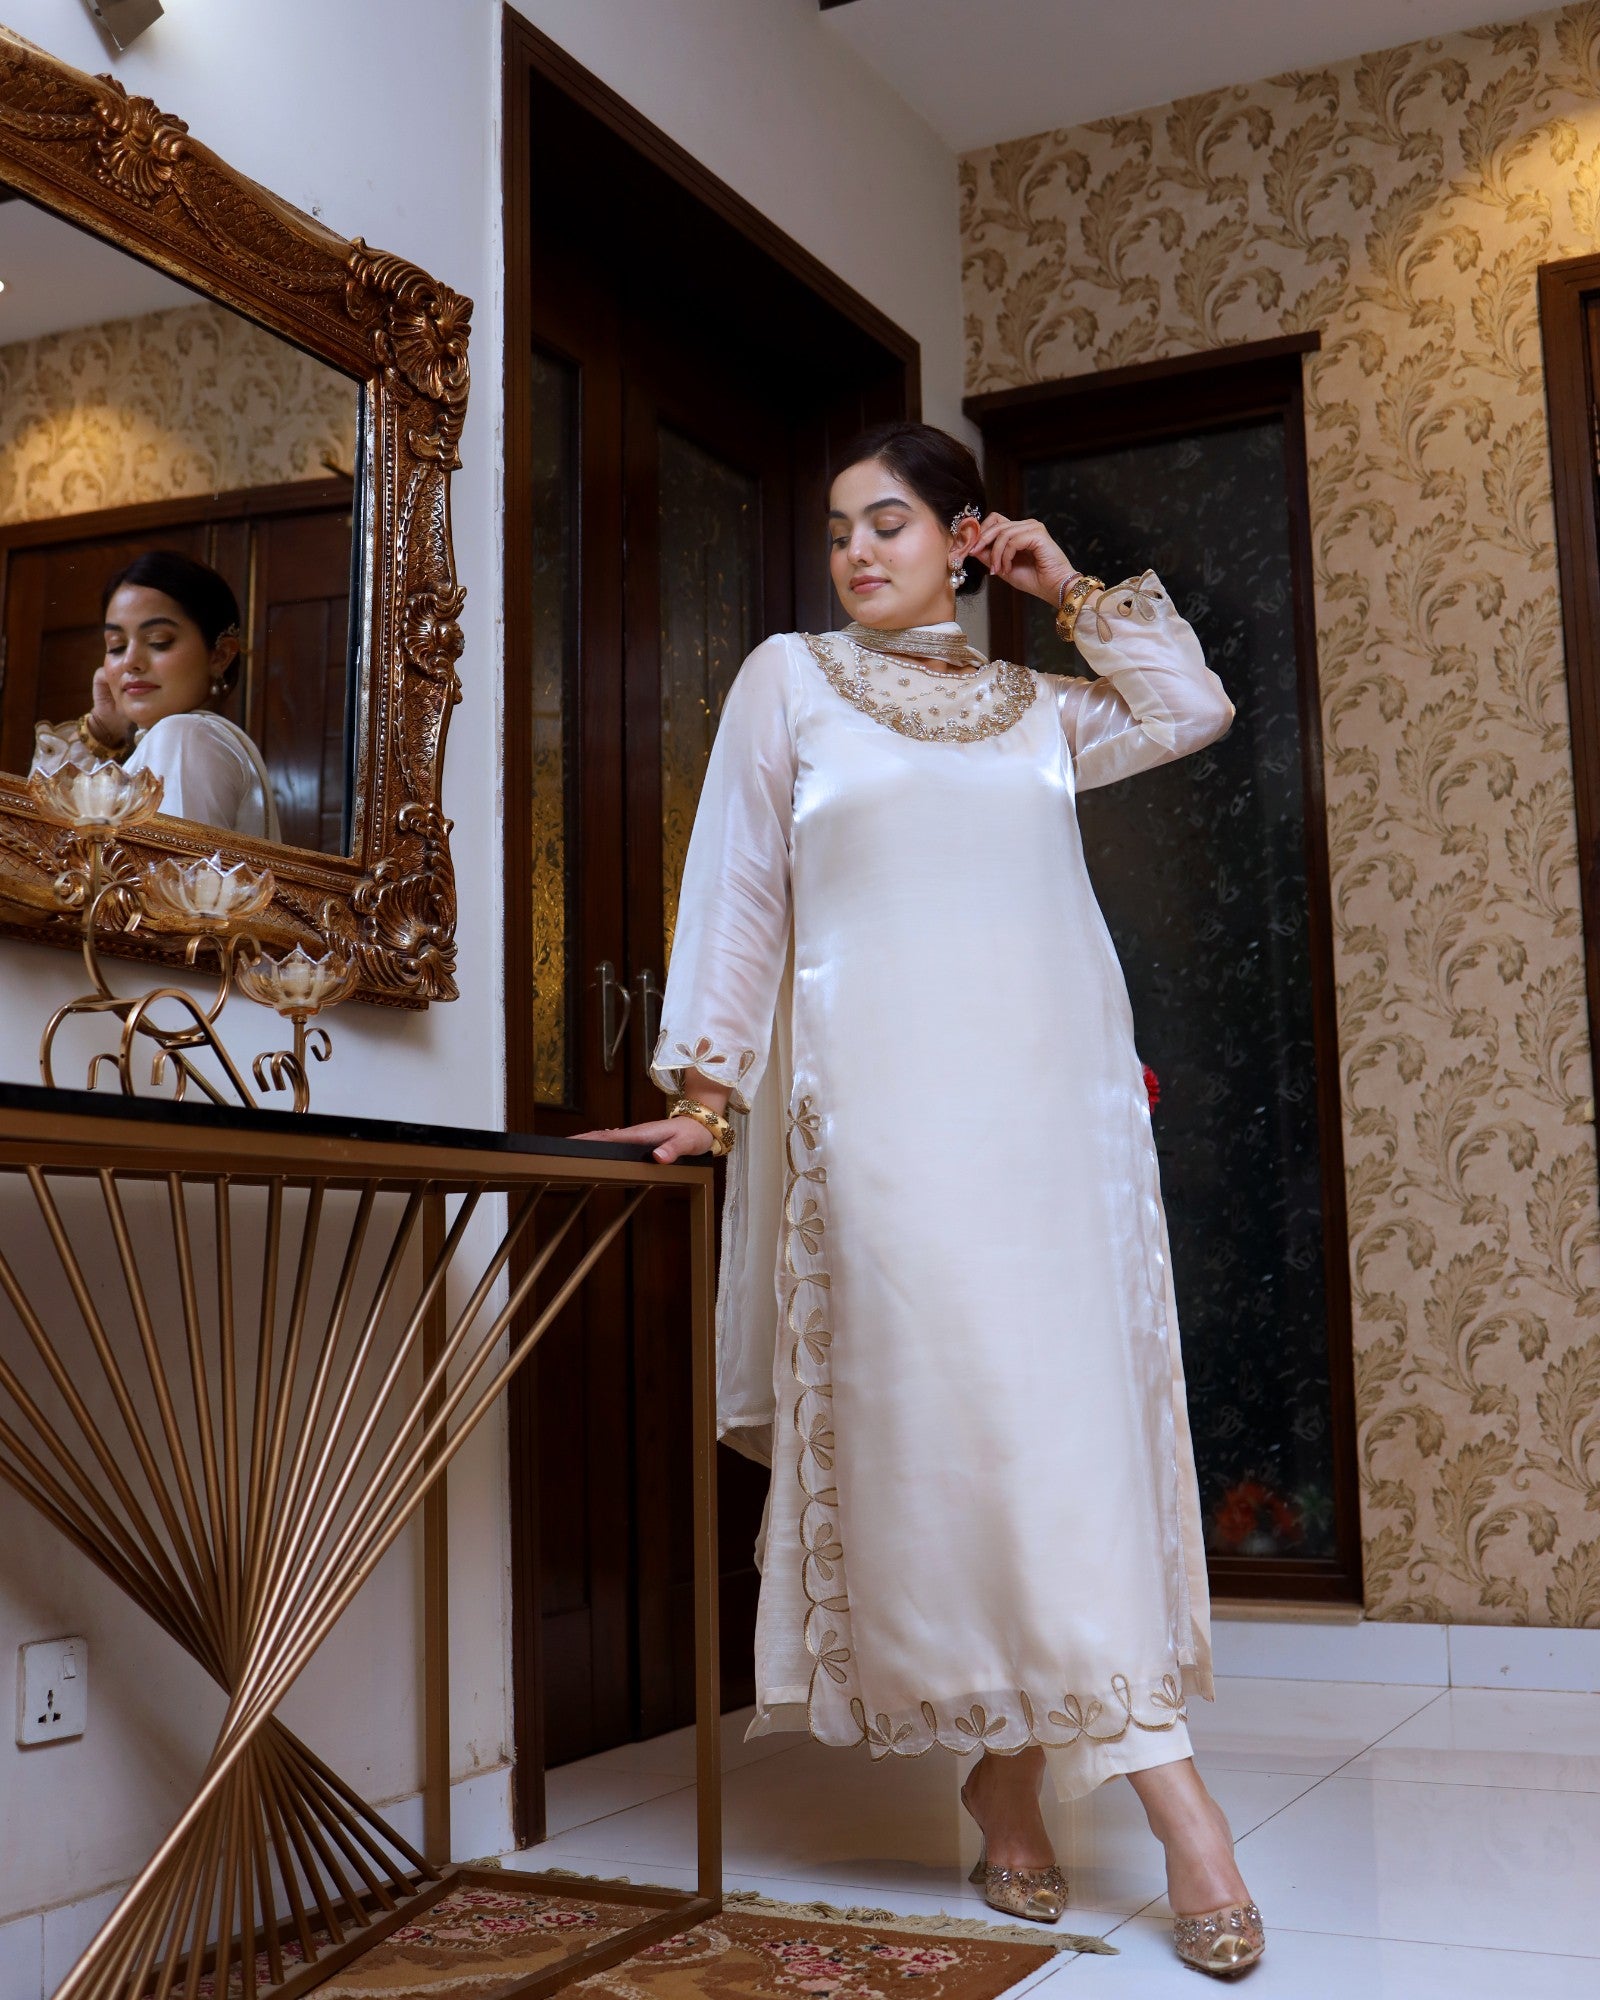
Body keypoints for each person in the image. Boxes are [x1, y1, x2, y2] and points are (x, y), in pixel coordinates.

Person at [583, 422, 1264, 1978]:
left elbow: (1195, 707)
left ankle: (1011, 1781)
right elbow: (740, 880)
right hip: (879, 1134)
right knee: (973, 1444)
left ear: (965, 537)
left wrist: (1070, 582)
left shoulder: (1038, 711)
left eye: (889, 524)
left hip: (1049, 1130)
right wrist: (708, 1088)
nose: (854, 554)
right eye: (837, 531)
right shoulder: (789, 680)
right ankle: (1184, 1819)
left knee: (1060, 1438)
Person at [32, 549, 281, 841]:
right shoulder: (182, 738)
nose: (130, 661)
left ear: (220, 656)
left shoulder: (183, 736)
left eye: (158, 641)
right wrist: (101, 731)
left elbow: (172, 880)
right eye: (116, 645)